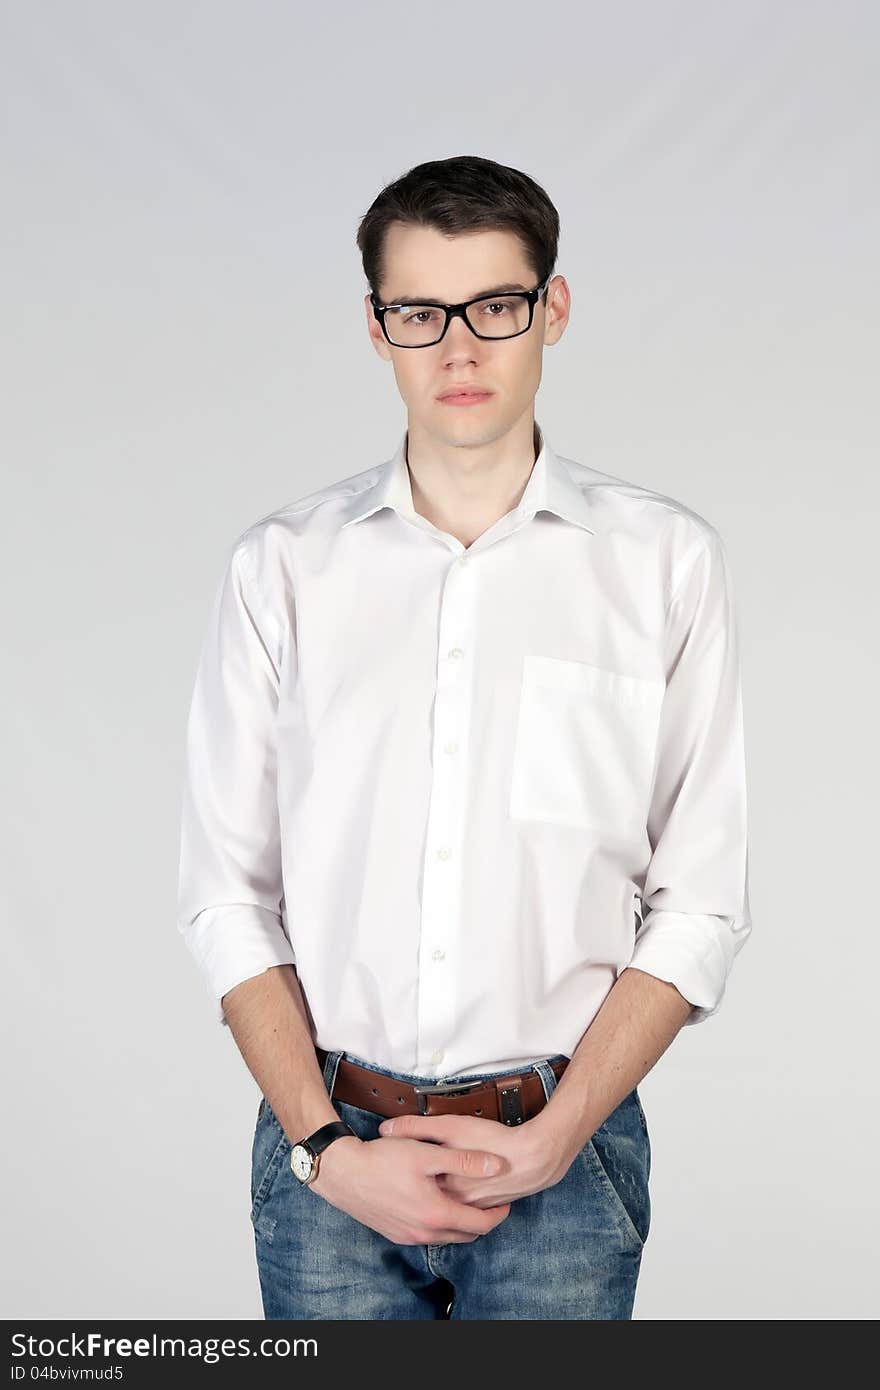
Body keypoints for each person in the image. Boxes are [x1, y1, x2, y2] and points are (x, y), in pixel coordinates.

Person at [176, 154, 752, 1321]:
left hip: (564, 1161)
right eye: (419, 311)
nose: (459, 347)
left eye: (495, 305)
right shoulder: (282, 570)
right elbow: (226, 895)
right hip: (329, 1155)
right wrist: (327, 1148)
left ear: (553, 309)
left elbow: (699, 903)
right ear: (375, 327)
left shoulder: (661, 565)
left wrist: (553, 1137)